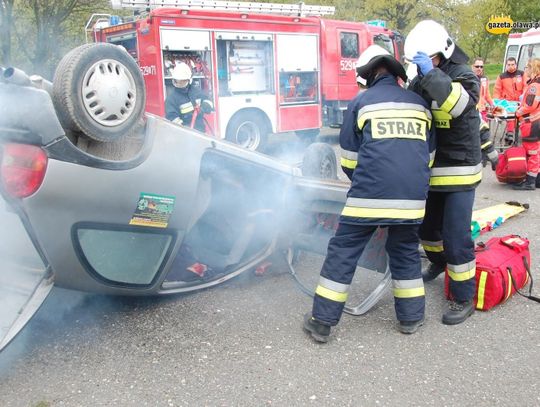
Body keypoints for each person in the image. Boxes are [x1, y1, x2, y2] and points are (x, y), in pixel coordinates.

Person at [302, 45, 435, 342]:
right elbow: (427, 158)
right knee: (404, 252)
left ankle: (322, 322)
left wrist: (371, 182)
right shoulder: (420, 105)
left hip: (367, 197)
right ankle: (411, 318)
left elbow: (349, 160)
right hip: (412, 201)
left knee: (343, 251)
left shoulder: (361, 103)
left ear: (370, 74)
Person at [405, 20, 482, 325]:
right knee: (427, 229)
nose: (427, 64)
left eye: (432, 59)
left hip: (460, 169)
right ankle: (438, 263)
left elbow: (455, 104)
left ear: (444, 52)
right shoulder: (422, 77)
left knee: (455, 235)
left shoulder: (465, 76)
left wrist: (430, 73)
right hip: (432, 168)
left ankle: (464, 297)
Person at [513, 58, 540, 190]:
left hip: (531, 123)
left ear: (533, 69)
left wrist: (518, 112)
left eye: (527, 68)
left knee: (532, 152)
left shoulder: (534, 86)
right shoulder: (536, 84)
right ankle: (535, 179)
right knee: (536, 152)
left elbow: (529, 105)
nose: (526, 70)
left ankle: (530, 182)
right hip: (536, 121)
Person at [165, 62, 213, 133]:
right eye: (177, 81)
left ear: (189, 80)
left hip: (201, 132)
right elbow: (172, 118)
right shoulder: (171, 99)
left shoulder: (196, 92)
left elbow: (209, 101)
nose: (179, 84)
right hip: (184, 136)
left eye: (182, 82)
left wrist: (204, 107)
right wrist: (185, 129)